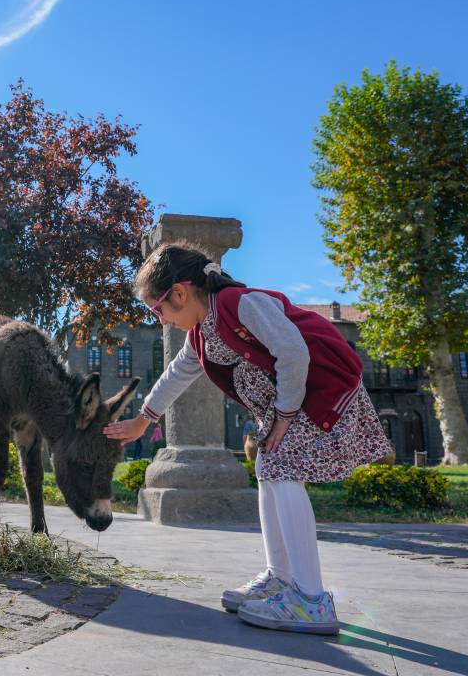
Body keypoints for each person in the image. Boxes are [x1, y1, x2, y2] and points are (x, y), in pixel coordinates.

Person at [103, 241, 391, 636]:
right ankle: (281, 579)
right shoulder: (201, 334)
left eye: (159, 310)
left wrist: (285, 415)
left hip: (316, 390)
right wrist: (143, 418)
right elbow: (177, 374)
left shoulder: (241, 303)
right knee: (269, 468)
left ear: (181, 293)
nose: (161, 321)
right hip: (288, 405)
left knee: (282, 471)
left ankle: (310, 600)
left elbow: (293, 352)